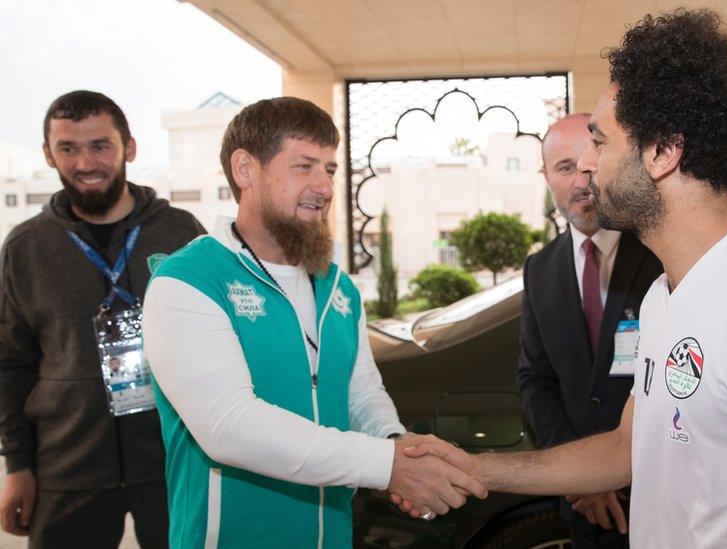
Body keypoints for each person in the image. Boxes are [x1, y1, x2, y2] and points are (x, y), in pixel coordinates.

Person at [395, 10, 727, 547]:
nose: (587, 164)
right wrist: (479, 469)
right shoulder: (664, 294)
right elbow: (624, 449)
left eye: (601, 141)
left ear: (662, 152)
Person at [141, 97, 485, 548]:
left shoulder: (339, 287)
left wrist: (399, 444)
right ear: (245, 170)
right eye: (304, 166)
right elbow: (228, 427)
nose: (323, 187)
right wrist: (388, 465)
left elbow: (361, 394)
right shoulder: (188, 281)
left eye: (330, 169)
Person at [0, 90, 206, 548]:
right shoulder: (26, 248)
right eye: (68, 148)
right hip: (68, 466)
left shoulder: (181, 234)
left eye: (100, 145)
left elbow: (217, 346)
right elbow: (11, 364)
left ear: (128, 148)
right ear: (48, 154)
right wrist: (18, 467)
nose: (85, 162)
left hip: (175, 460)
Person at [517, 114, 659, 546]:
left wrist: (614, 469)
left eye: (588, 161)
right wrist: (580, 477)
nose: (581, 180)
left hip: (658, 494)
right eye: (563, 168)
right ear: (545, 177)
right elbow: (536, 379)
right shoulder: (539, 270)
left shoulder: (660, 254)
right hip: (583, 509)